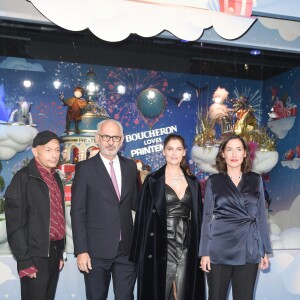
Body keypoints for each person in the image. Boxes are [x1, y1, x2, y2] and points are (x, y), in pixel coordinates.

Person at [130, 134, 205, 300]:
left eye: (178, 149)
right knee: (160, 293)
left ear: (184, 152)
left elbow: (199, 219)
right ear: (163, 151)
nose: (174, 153)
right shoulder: (152, 180)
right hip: (159, 244)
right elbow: (142, 217)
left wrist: (203, 250)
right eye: (170, 149)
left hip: (186, 246)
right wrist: (138, 254)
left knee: (184, 293)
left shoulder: (193, 182)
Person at [71, 119, 138, 300]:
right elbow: (77, 212)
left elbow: (137, 204)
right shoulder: (84, 169)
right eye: (106, 136)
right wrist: (81, 250)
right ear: (97, 138)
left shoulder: (131, 168)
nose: (110, 142)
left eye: (115, 137)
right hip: (95, 252)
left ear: (122, 139)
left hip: (126, 251)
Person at [199, 134, 272, 300]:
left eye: (238, 149)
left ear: (245, 153)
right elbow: (206, 218)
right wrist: (204, 252)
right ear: (223, 154)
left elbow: (261, 216)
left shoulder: (255, 179)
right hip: (218, 250)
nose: (234, 154)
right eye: (229, 150)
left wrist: (264, 250)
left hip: (248, 249)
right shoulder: (214, 181)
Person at [4, 130, 66, 300]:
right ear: (34, 151)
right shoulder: (22, 178)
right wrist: (25, 261)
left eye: (57, 150)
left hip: (53, 253)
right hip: (33, 255)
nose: (54, 155)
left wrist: (59, 252)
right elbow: (15, 224)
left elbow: (57, 217)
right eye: (48, 150)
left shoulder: (56, 178)